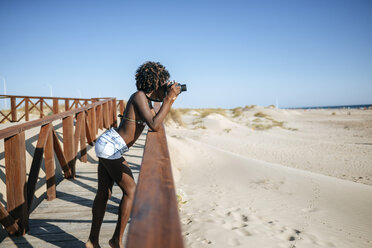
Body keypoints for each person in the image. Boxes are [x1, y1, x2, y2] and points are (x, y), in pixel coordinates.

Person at [86, 61, 181, 248]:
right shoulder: (138, 96)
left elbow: (156, 119)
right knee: (131, 191)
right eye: (164, 81)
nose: (166, 84)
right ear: (155, 82)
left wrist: (168, 98)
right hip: (110, 147)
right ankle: (116, 241)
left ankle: (92, 241)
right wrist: (169, 99)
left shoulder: (147, 102)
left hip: (111, 145)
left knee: (104, 193)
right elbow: (154, 124)